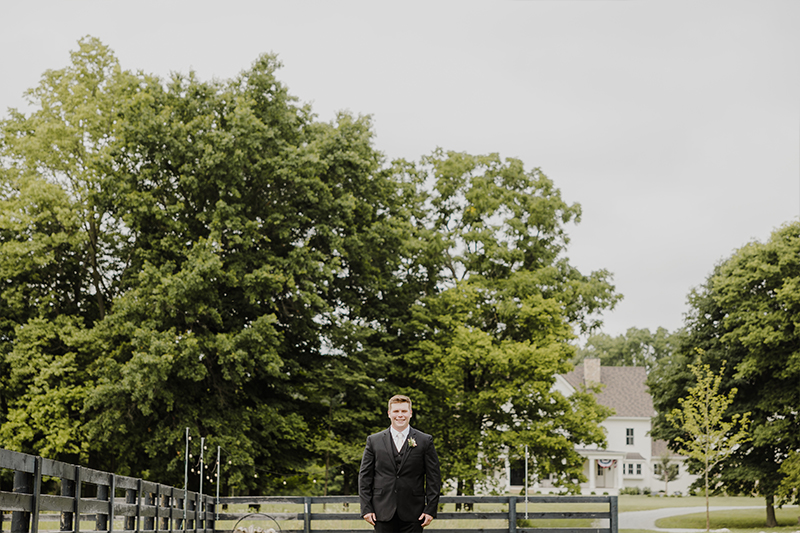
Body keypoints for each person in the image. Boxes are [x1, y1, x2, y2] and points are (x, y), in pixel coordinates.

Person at [358, 394, 441, 532]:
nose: (400, 415)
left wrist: (430, 510)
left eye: (404, 411)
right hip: (382, 511)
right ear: (389, 413)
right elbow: (365, 477)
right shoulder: (374, 441)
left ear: (410, 413)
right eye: (396, 411)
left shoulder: (425, 440)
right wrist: (366, 508)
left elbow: (434, 477)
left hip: (414, 512)